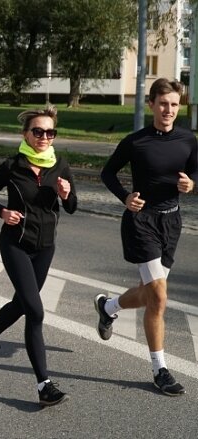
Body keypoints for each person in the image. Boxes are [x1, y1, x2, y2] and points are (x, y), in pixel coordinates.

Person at [95, 78, 197, 396]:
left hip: (172, 222)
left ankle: (109, 306)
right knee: (160, 299)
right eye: (163, 103)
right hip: (142, 222)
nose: (168, 110)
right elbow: (107, 173)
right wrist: (125, 197)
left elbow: (195, 171)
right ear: (151, 104)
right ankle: (160, 369)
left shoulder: (188, 139)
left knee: (151, 293)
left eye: (174, 105)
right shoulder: (135, 141)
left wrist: (191, 184)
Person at [0, 106, 77, 407]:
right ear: (25, 134)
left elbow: (72, 207)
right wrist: (2, 212)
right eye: (38, 131)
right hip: (15, 244)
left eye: (50, 132)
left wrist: (66, 193)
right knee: (35, 311)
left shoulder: (60, 165)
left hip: (45, 246)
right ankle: (44, 385)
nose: (44, 137)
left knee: (22, 302)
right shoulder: (12, 166)